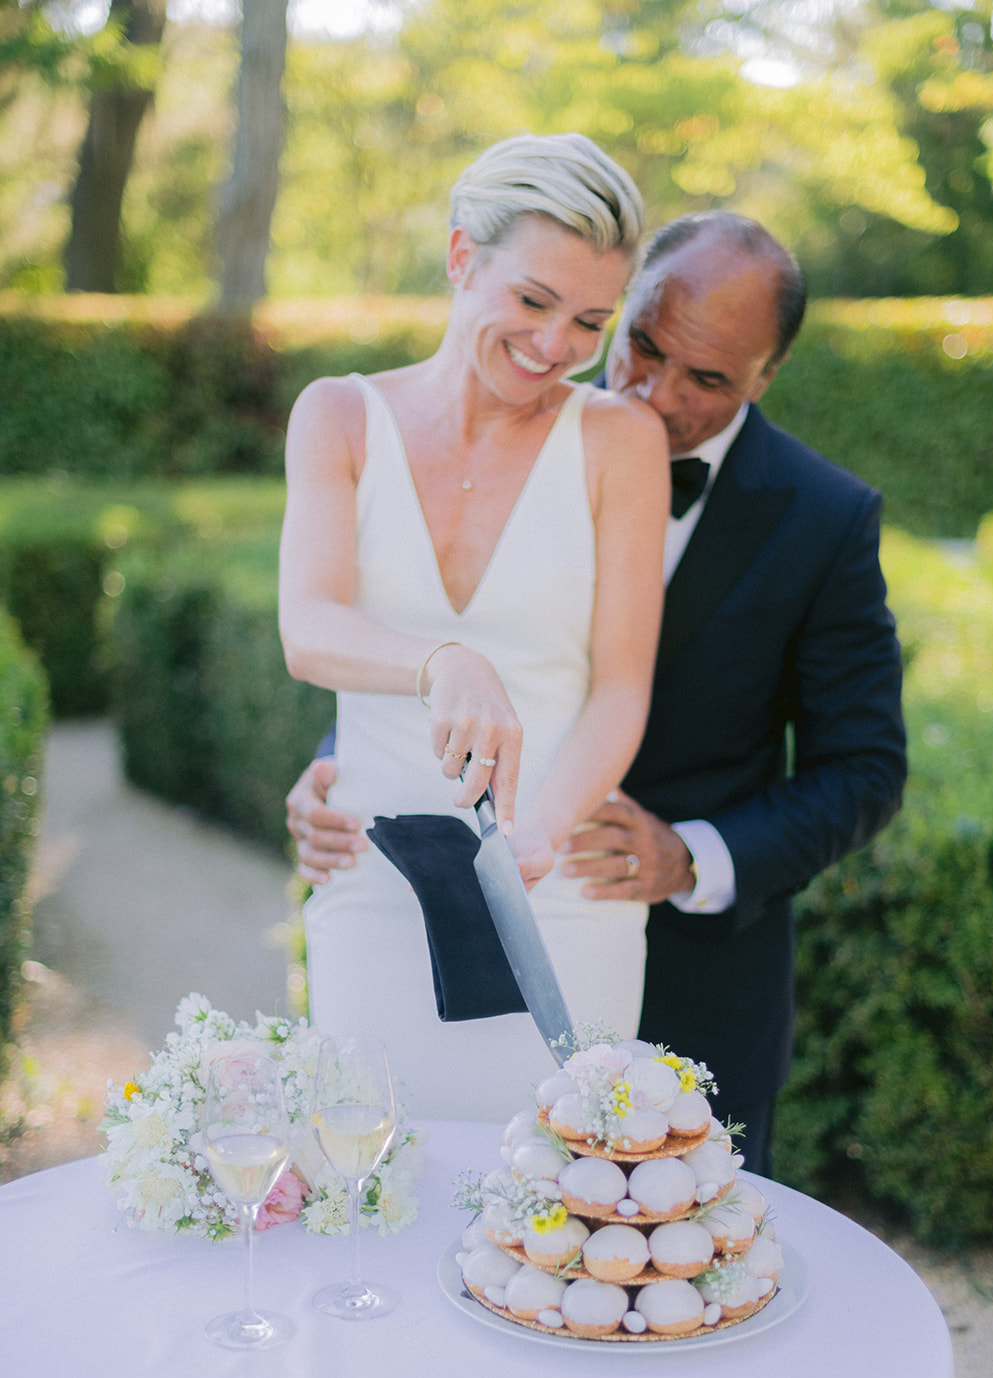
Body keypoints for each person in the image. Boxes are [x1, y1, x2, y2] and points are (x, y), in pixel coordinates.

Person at [286, 211, 906, 1170]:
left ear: (766, 375)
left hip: (693, 976)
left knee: (649, 1285)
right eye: (640, 346)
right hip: (460, 911)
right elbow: (439, 626)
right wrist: (340, 766)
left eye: (705, 379)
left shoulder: (824, 519)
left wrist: (692, 856)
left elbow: (865, 769)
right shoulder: (492, 429)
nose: (653, 397)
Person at [279, 133, 670, 1122]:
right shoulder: (336, 417)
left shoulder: (618, 443)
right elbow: (308, 627)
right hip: (371, 875)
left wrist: (535, 836)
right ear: (461, 257)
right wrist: (442, 660)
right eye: (533, 302)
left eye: (589, 321)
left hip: (561, 879)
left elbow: (621, 683)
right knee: (366, 1183)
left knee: (564, 1205)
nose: (555, 347)